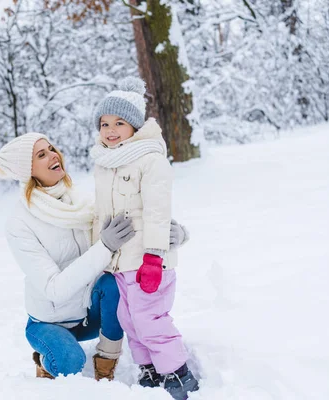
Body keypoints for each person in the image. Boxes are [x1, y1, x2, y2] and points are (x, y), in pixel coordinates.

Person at [0, 132, 190, 381]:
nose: (53, 154)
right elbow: (54, 289)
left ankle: (106, 364)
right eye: (41, 155)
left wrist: (172, 237)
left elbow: (131, 228)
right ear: (27, 170)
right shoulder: (20, 223)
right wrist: (104, 246)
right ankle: (44, 358)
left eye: (51, 148)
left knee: (114, 284)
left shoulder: (79, 203)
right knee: (70, 362)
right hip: (49, 323)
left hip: (87, 315)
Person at [90, 77, 199, 400]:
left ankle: (179, 375)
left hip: (147, 261)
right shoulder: (104, 163)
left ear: (134, 126)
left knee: (150, 319)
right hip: (120, 263)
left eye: (119, 123)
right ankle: (149, 368)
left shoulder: (150, 159)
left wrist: (154, 255)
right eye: (104, 123)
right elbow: (101, 214)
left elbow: (156, 211)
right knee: (129, 318)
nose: (110, 130)